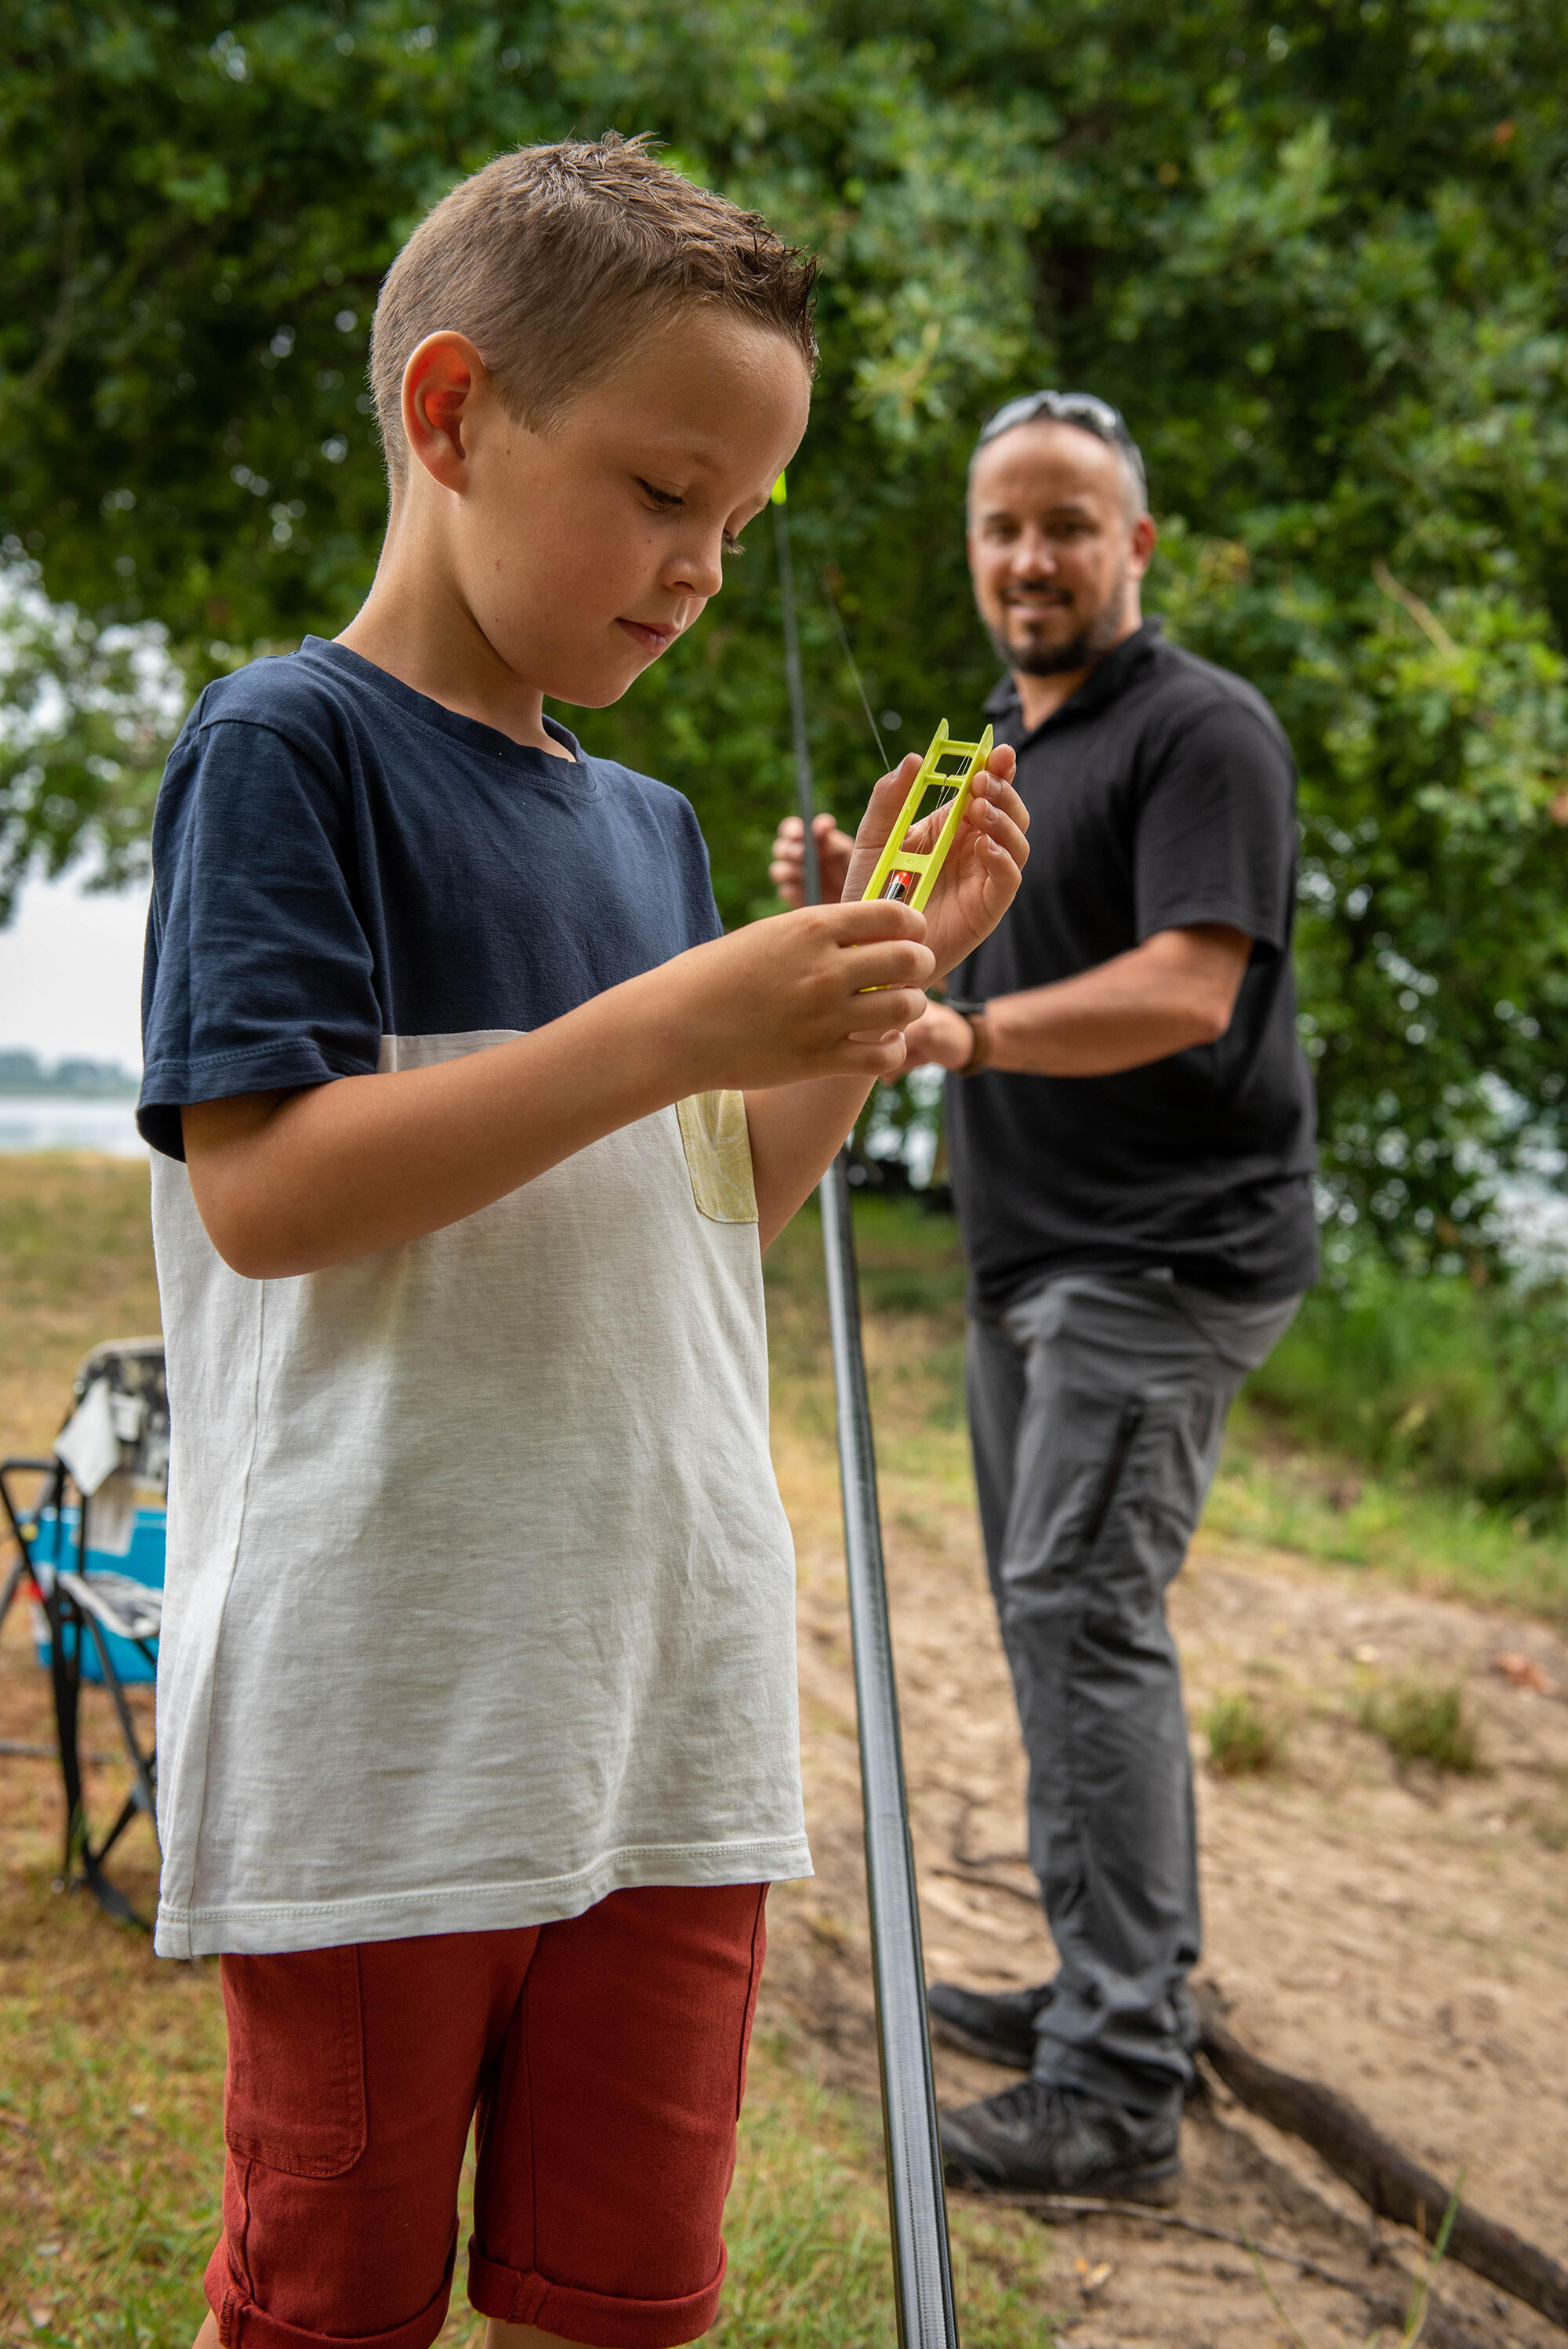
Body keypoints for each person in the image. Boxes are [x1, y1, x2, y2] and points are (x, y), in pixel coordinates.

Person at [138, 138, 1029, 2349]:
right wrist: (666, 1027)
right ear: (451, 413)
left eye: (740, 522)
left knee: (624, 2294)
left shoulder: (649, 827)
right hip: (398, 1711)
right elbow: (267, 1192)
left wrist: (857, 1001)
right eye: (661, 489)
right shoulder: (287, 749)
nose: (703, 564)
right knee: (333, 2293)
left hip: (664, 1704)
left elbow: (701, 1208)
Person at [771, 387, 1316, 2202]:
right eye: (1002, 523)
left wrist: (969, 1024)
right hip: (1033, 1258)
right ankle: (1106, 1978)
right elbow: (952, 953)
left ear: (1133, 543)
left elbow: (1182, 986)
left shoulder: (1200, 731)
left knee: (1081, 1619)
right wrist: (869, 909)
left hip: (1165, 1260)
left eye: (1067, 522)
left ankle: (1116, 2080)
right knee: (1046, 1620)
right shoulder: (1006, 744)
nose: (1029, 555)